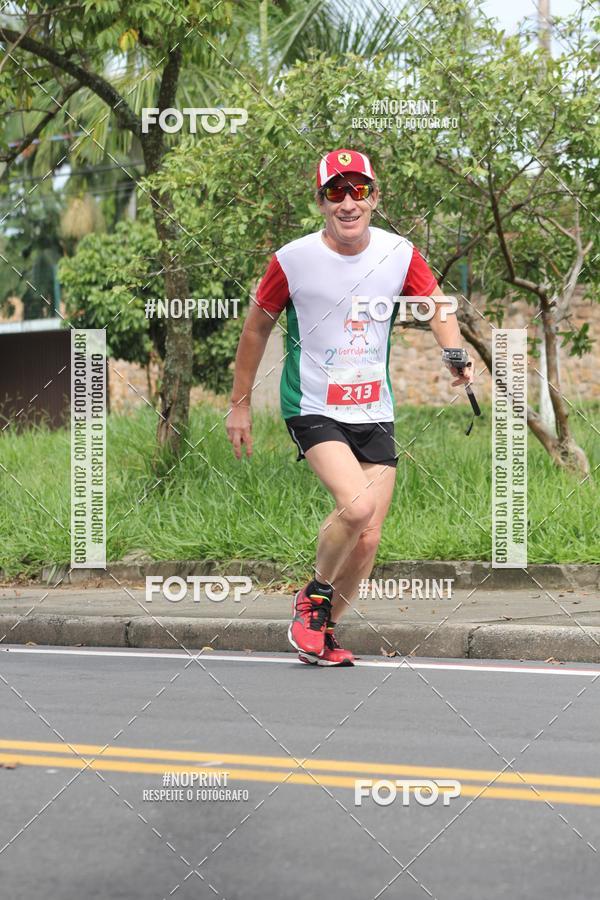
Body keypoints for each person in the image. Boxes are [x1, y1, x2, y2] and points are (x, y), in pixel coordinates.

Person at [226, 148, 474, 667]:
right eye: (335, 192)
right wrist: (240, 405)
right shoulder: (292, 261)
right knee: (356, 507)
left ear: (375, 198)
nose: (347, 202)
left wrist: (455, 356)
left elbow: (437, 308)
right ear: (320, 202)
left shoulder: (398, 252)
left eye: (358, 190)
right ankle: (312, 599)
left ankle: (323, 632)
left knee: (369, 538)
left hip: (374, 408)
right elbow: (255, 328)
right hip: (313, 405)